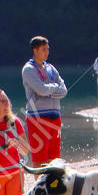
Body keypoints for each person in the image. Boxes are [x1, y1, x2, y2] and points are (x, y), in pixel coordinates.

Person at [22, 37, 68, 165]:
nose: (47, 52)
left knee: (54, 159)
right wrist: (53, 88)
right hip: (38, 118)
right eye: (43, 49)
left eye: (47, 49)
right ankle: (39, 179)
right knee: (40, 159)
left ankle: (52, 179)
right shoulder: (28, 69)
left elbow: (64, 90)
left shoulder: (51, 68)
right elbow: (41, 90)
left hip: (55, 117)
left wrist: (48, 90)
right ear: (35, 50)